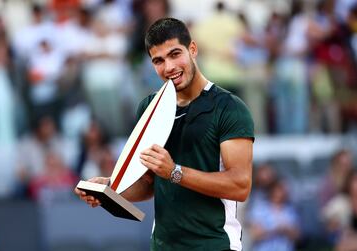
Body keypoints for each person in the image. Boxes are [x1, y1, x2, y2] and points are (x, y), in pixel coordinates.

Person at [75, 17, 254, 251]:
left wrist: (174, 172)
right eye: (158, 60)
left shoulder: (229, 107)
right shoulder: (149, 109)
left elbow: (240, 186)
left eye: (175, 54)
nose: (169, 67)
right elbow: (149, 184)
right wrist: (110, 188)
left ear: (193, 49)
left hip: (215, 244)